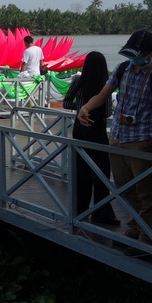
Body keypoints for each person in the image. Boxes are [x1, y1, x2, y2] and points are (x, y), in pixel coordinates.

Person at [77, 30, 152, 247]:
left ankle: (149, 240)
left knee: (147, 194)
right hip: (117, 137)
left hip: (143, 140)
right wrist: (85, 108)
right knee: (125, 189)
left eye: (139, 54)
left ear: (151, 53)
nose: (133, 58)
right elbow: (103, 94)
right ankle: (135, 229)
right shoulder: (122, 68)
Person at [63, 51, 118, 224]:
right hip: (96, 127)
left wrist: (80, 108)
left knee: (81, 169)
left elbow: (66, 103)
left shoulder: (78, 80)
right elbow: (108, 111)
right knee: (101, 171)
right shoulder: (105, 84)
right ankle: (102, 213)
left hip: (79, 127)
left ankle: (80, 208)